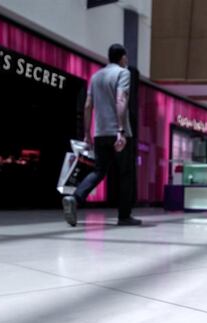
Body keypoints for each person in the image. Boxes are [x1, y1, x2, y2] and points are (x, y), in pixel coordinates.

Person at [62, 44, 142, 227]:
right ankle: (124, 216)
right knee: (125, 174)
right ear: (122, 58)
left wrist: (87, 134)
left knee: (99, 171)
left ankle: (75, 198)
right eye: (126, 58)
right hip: (118, 134)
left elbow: (88, 105)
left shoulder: (96, 76)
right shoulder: (123, 73)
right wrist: (121, 130)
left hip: (100, 133)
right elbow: (121, 99)